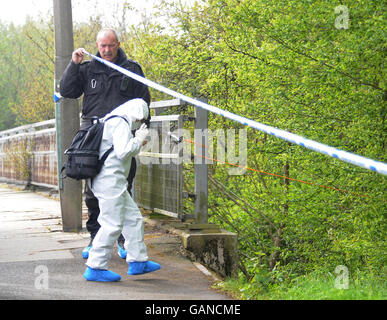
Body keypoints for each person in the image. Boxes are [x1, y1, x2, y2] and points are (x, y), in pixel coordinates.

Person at [59, 28, 150, 259]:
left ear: (118, 44)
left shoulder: (131, 69)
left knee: (123, 186)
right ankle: (95, 237)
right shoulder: (87, 68)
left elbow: (144, 104)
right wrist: (73, 63)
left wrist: (142, 133)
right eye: (102, 46)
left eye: (110, 45)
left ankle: (122, 241)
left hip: (120, 134)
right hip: (92, 134)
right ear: (97, 45)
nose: (107, 50)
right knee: (92, 190)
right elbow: (68, 91)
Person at [83, 98, 161, 282]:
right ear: (137, 113)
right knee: (112, 224)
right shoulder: (119, 122)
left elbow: (121, 150)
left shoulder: (114, 120)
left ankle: (138, 261)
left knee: (133, 218)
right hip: (109, 182)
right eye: (141, 120)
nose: (139, 123)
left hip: (112, 181)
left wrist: (136, 141)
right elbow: (123, 152)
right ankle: (95, 266)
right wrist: (138, 139)